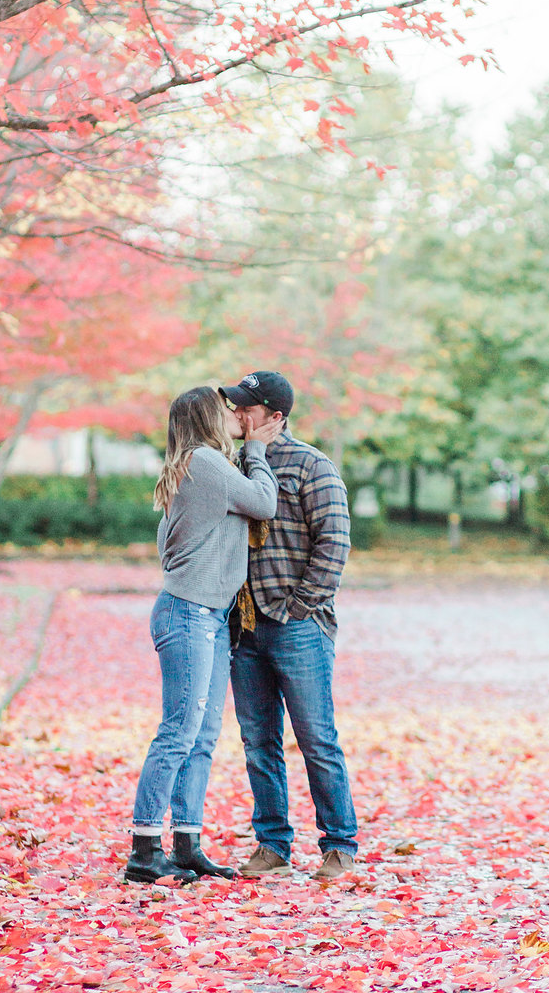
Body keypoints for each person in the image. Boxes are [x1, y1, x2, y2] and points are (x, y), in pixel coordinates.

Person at [125, 386, 283, 885]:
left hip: (207, 615)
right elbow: (264, 503)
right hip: (189, 613)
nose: (237, 415)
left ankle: (186, 843)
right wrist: (257, 451)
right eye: (227, 411)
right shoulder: (208, 465)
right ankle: (144, 850)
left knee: (201, 737)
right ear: (208, 420)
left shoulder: (198, 466)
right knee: (178, 733)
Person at [218, 369, 359, 883]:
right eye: (234, 405)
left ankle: (339, 845)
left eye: (246, 408)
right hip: (243, 628)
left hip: (297, 625)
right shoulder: (231, 467)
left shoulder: (311, 466)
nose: (236, 414)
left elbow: (335, 542)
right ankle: (272, 845)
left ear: (275, 417)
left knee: (316, 738)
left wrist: (300, 606)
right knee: (258, 742)